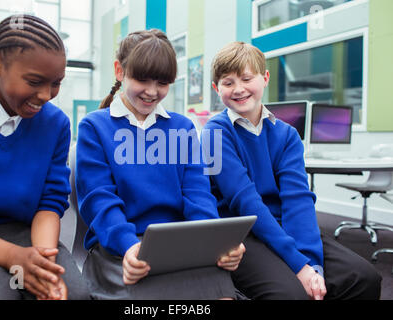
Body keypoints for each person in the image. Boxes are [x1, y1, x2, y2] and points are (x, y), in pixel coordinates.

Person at [202, 41, 382, 300]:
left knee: (363, 278)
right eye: (228, 82)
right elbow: (246, 202)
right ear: (216, 88)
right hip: (243, 233)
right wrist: (298, 265)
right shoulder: (215, 133)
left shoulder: (286, 134)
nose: (238, 89)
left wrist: (312, 264)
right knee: (290, 294)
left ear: (265, 78)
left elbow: (298, 201)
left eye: (246, 78)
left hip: (284, 224)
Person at [75, 29, 245, 300]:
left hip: (178, 248)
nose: (152, 92)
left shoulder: (183, 127)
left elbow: (199, 196)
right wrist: (130, 247)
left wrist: (216, 244)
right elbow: (99, 201)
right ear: (120, 71)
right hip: (120, 249)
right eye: (142, 79)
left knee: (221, 294)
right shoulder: (95, 127)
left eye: (163, 82)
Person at [0, 14, 89, 300]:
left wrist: (43, 261)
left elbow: (50, 200)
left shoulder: (55, 124)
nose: (46, 95)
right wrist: (13, 257)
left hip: (26, 234)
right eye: (34, 81)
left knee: (72, 294)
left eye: (56, 83)